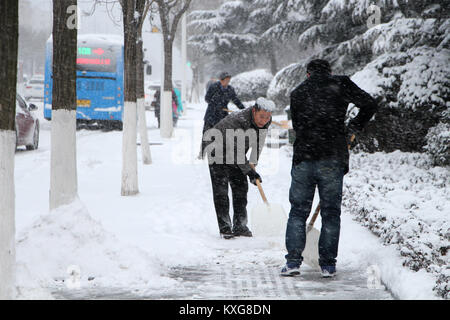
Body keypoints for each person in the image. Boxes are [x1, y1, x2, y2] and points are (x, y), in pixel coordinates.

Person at [281, 59, 378, 277]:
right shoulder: (341, 84)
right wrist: (353, 127)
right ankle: (327, 265)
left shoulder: (298, 92)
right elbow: (370, 104)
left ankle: (293, 262)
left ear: (308, 74)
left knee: (298, 212)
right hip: (332, 157)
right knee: (331, 213)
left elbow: (298, 127)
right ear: (330, 71)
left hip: (304, 158)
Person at [203, 97, 274, 239]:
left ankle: (240, 226)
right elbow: (234, 151)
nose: (264, 120)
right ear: (254, 111)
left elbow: (258, 143)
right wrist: (249, 172)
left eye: (267, 117)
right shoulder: (238, 121)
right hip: (217, 150)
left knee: (241, 189)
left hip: (236, 153)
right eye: (261, 116)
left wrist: (253, 165)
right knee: (221, 192)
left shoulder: (265, 122)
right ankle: (225, 228)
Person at [200, 72, 246, 157]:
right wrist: (215, 104)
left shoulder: (230, 89)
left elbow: (236, 100)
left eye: (229, 80)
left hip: (223, 115)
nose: (228, 82)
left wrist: (243, 109)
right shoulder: (214, 87)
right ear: (221, 80)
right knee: (207, 133)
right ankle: (202, 152)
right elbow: (207, 98)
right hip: (212, 114)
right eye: (226, 80)